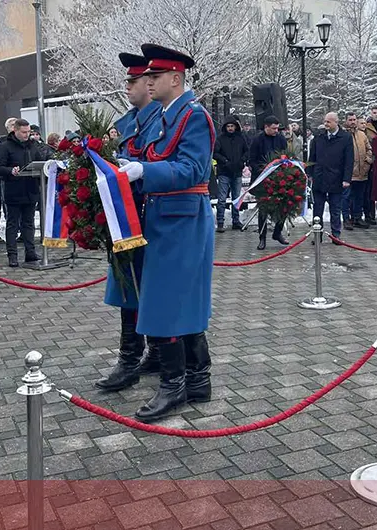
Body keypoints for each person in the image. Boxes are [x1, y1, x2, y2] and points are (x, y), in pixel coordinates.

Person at [115, 43, 215, 422]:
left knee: (169, 302)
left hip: (183, 218)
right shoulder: (166, 115)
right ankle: (196, 379)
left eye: (155, 76)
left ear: (176, 78)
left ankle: (175, 385)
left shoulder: (193, 115)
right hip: (164, 216)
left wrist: (145, 172)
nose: (148, 81)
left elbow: (191, 169)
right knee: (173, 299)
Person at [96, 51, 164, 393]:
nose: (129, 87)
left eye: (134, 81)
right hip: (124, 216)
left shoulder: (160, 119)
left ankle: (134, 359)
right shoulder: (127, 121)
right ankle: (135, 355)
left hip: (145, 217)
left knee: (141, 286)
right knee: (129, 286)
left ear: (150, 86)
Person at [0, 119, 42, 267]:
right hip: (14, 190)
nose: (27, 135)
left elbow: (40, 161)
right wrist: (10, 171)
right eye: (24, 132)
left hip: (30, 189)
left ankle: (30, 252)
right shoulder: (5, 147)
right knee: (12, 224)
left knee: (29, 223)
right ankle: (12, 255)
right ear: (15, 131)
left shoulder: (33, 146)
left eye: (29, 132)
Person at [308, 112, 354, 243]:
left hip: (337, 178)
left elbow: (349, 160)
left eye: (328, 122)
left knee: (335, 208)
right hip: (320, 177)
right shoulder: (319, 137)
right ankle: (318, 235)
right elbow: (312, 157)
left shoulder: (345, 138)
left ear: (336, 122)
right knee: (318, 209)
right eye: (325, 121)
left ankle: (335, 234)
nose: (326, 124)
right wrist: (310, 173)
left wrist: (347, 179)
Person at [247, 115, 289, 249]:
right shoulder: (257, 140)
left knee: (284, 206)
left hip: (279, 178)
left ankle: (277, 232)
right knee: (263, 210)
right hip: (262, 178)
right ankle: (262, 237)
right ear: (266, 127)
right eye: (274, 128)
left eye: (277, 128)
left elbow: (286, 155)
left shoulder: (281, 139)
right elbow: (251, 159)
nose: (276, 131)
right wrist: (263, 169)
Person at [213, 114, 248, 232]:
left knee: (236, 198)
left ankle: (236, 220)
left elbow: (247, 151)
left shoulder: (241, 138)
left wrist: (242, 161)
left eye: (232, 126)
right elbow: (215, 153)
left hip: (237, 171)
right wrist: (224, 161)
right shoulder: (220, 139)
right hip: (224, 171)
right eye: (228, 126)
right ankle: (220, 221)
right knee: (222, 198)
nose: (230, 128)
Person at [344, 112, 373, 229]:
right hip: (349, 173)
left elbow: (369, 149)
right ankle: (346, 218)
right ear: (346, 121)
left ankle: (357, 217)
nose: (352, 122)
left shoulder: (362, 135)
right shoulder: (343, 135)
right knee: (346, 197)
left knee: (359, 196)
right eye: (350, 119)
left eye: (354, 119)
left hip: (362, 171)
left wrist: (368, 161)